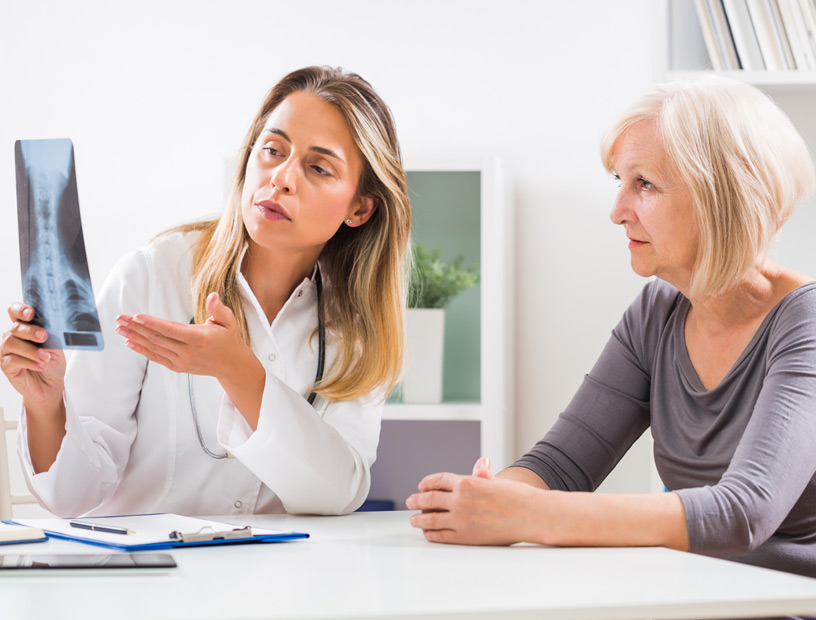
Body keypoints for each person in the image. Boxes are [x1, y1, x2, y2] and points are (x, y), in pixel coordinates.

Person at [407, 76, 816, 580]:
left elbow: (743, 513)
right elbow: (560, 467)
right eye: (619, 183)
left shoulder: (806, 323)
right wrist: (493, 498)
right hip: (695, 598)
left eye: (643, 184)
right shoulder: (658, 312)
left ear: (720, 195)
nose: (617, 212)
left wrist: (527, 514)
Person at [1, 65, 412, 517]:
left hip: (280, 582)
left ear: (360, 207)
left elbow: (338, 493)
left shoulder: (357, 329)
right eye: (273, 150)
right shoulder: (151, 276)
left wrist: (240, 372)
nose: (281, 178)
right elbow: (71, 498)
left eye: (318, 167)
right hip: (148, 581)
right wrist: (46, 407)